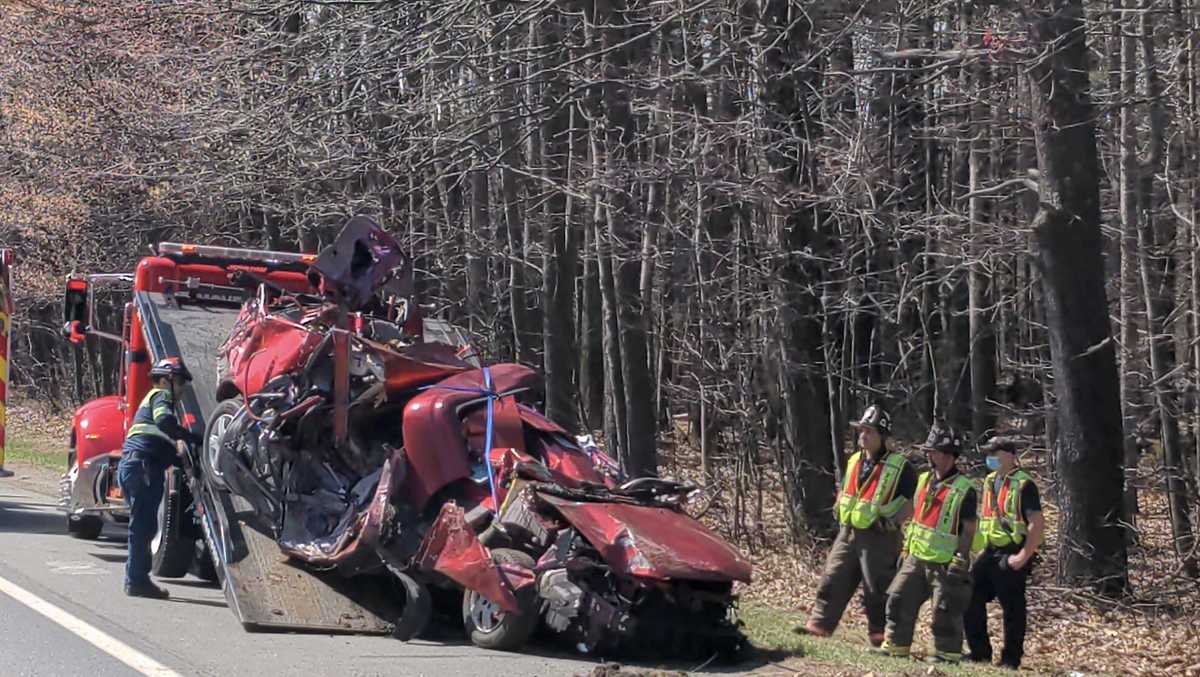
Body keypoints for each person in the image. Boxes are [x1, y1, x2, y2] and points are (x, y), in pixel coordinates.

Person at [803, 404, 918, 647]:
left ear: (883, 436)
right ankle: (819, 627)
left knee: (877, 588)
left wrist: (894, 522)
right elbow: (847, 490)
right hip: (849, 532)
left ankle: (880, 637)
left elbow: (912, 503)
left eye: (869, 431)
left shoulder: (902, 467)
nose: (862, 436)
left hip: (880, 536)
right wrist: (838, 506)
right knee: (832, 578)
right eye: (861, 430)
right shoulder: (855, 459)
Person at [874, 421, 977, 663]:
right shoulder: (923, 480)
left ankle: (946, 655)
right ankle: (895, 646)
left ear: (948, 455)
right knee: (897, 598)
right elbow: (914, 512)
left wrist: (960, 558)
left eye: (933, 451)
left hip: (944, 563)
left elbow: (968, 529)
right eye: (928, 451)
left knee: (944, 612)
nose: (928, 455)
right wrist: (904, 544)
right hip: (916, 557)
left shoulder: (965, 489)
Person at [117, 357, 203, 599]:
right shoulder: (160, 395)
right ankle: (137, 580)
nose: (182, 389)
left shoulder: (150, 400)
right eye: (179, 382)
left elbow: (160, 443)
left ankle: (136, 578)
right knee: (143, 527)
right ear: (165, 379)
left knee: (142, 526)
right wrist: (190, 437)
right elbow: (164, 421)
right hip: (144, 465)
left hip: (137, 464)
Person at [965, 436, 1044, 669]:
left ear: (1009, 455)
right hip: (989, 551)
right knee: (970, 595)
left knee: (1012, 608)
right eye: (988, 453)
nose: (990, 458)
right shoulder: (990, 480)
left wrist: (1023, 556)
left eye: (995, 453)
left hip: (1012, 551)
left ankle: (1011, 659)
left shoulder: (1023, 484)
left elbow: (1036, 522)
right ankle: (979, 653)